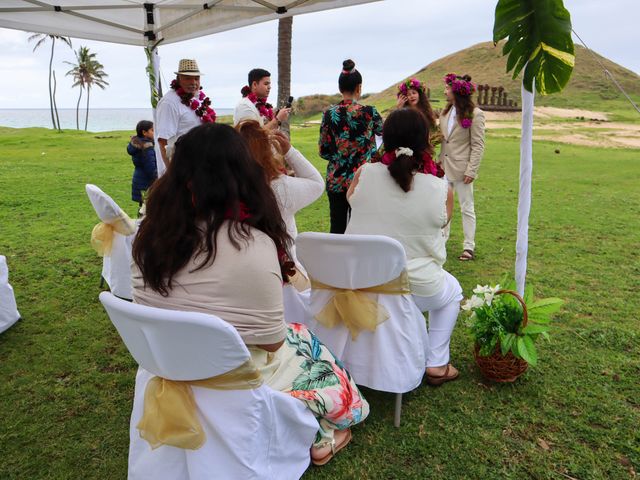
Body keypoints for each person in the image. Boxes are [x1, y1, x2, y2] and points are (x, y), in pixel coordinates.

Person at [131, 122, 368, 466]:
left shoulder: (145, 238)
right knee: (310, 347)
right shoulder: (253, 246)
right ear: (244, 172)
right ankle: (324, 433)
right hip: (234, 375)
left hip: (167, 362)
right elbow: (271, 344)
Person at [345, 108, 463, 386]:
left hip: (362, 283)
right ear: (425, 142)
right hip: (415, 286)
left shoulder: (363, 174)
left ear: (385, 139)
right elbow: (444, 221)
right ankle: (436, 363)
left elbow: (351, 200)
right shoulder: (440, 188)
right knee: (453, 292)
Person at [235, 120, 323, 284]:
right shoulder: (281, 187)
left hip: (236, 271)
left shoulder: (223, 188)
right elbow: (317, 183)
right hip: (282, 271)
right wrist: (290, 152)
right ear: (267, 151)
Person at [319, 59, 383, 234]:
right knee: (361, 229)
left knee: (337, 228)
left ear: (340, 88)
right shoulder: (370, 113)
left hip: (336, 180)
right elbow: (386, 136)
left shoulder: (329, 114)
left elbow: (323, 150)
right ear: (359, 87)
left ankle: (336, 261)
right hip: (363, 179)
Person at [438, 73, 485, 261]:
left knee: (467, 208)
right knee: (442, 207)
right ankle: (441, 241)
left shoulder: (476, 114)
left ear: (456, 92)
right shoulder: (445, 112)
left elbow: (478, 144)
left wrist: (471, 170)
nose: (444, 91)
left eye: (447, 88)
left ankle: (469, 246)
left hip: (463, 169)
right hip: (443, 167)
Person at [155, 59, 216, 175]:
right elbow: (163, 141)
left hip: (201, 164)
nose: (193, 82)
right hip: (181, 168)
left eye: (196, 78)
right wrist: (172, 174)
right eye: (188, 78)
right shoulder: (169, 103)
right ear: (178, 79)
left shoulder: (197, 99)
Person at [396, 78, 440, 144]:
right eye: (408, 94)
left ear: (419, 95)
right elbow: (397, 128)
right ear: (405, 98)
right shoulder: (403, 112)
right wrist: (399, 108)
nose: (412, 96)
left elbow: (433, 129)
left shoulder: (426, 111)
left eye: (414, 93)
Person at [127, 120, 157, 207]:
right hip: (147, 182)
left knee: (143, 208)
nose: (155, 132)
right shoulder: (147, 147)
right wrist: (159, 180)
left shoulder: (137, 144)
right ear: (144, 132)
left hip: (139, 179)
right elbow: (150, 167)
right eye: (152, 130)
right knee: (150, 209)